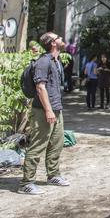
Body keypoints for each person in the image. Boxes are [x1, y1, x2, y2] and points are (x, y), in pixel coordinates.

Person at [17, 32, 70, 195]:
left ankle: (53, 175)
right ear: (53, 43)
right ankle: (26, 183)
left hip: (56, 109)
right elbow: (40, 87)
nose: (62, 38)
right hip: (43, 110)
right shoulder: (43, 61)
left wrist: (54, 110)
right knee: (38, 145)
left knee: (57, 143)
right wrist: (48, 110)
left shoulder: (56, 60)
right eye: (59, 37)